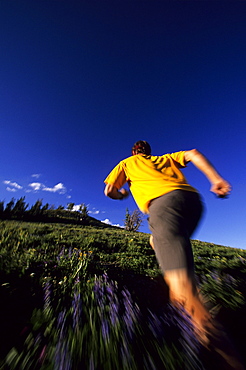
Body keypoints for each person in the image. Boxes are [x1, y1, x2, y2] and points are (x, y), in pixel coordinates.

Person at [104, 140, 244, 369]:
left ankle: (227, 358)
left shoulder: (126, 164)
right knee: (155, 240)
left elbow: (109, 190)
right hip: (191, 202)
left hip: (163, 207)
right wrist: (216, 179)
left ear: (133, 152)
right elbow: (193, 154)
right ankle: (181, 276)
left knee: (183, 297)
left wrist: (121, 194)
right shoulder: (164, 159)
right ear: (148, 152)